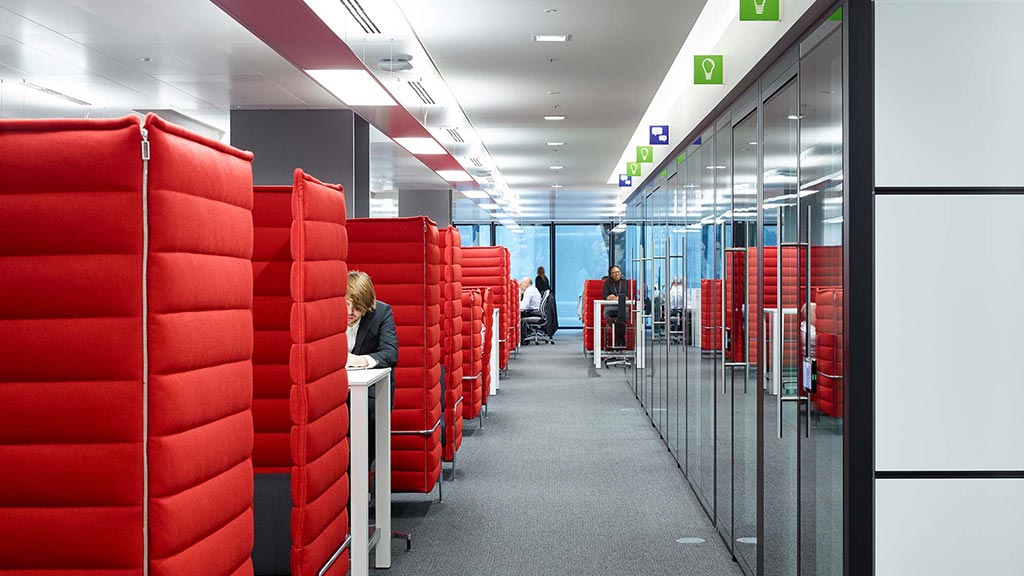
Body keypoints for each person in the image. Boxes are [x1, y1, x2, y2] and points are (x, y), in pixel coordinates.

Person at [346, 270, 399, 464]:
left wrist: (360, 360)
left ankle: (358, 473)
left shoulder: (382, 313)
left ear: (367, 306)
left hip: (371, 392)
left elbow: (391, 353)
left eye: (357, 308)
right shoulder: (326, 312)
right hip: (335, 390)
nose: (350, 312)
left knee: (369, 415)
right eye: (347, 304)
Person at [602, 265, 627, 343]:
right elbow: (605, 295)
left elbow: (628, 296)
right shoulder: (607, 283)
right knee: (611, 316)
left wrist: (620, 298)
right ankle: (620, 339)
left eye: (618, 272)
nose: (616, 274)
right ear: (611, 275)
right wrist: (609, 297)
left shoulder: (625, 282)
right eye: (614, 273)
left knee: (622, 316)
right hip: (610, 307)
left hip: (622, 307)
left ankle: (618, 338)